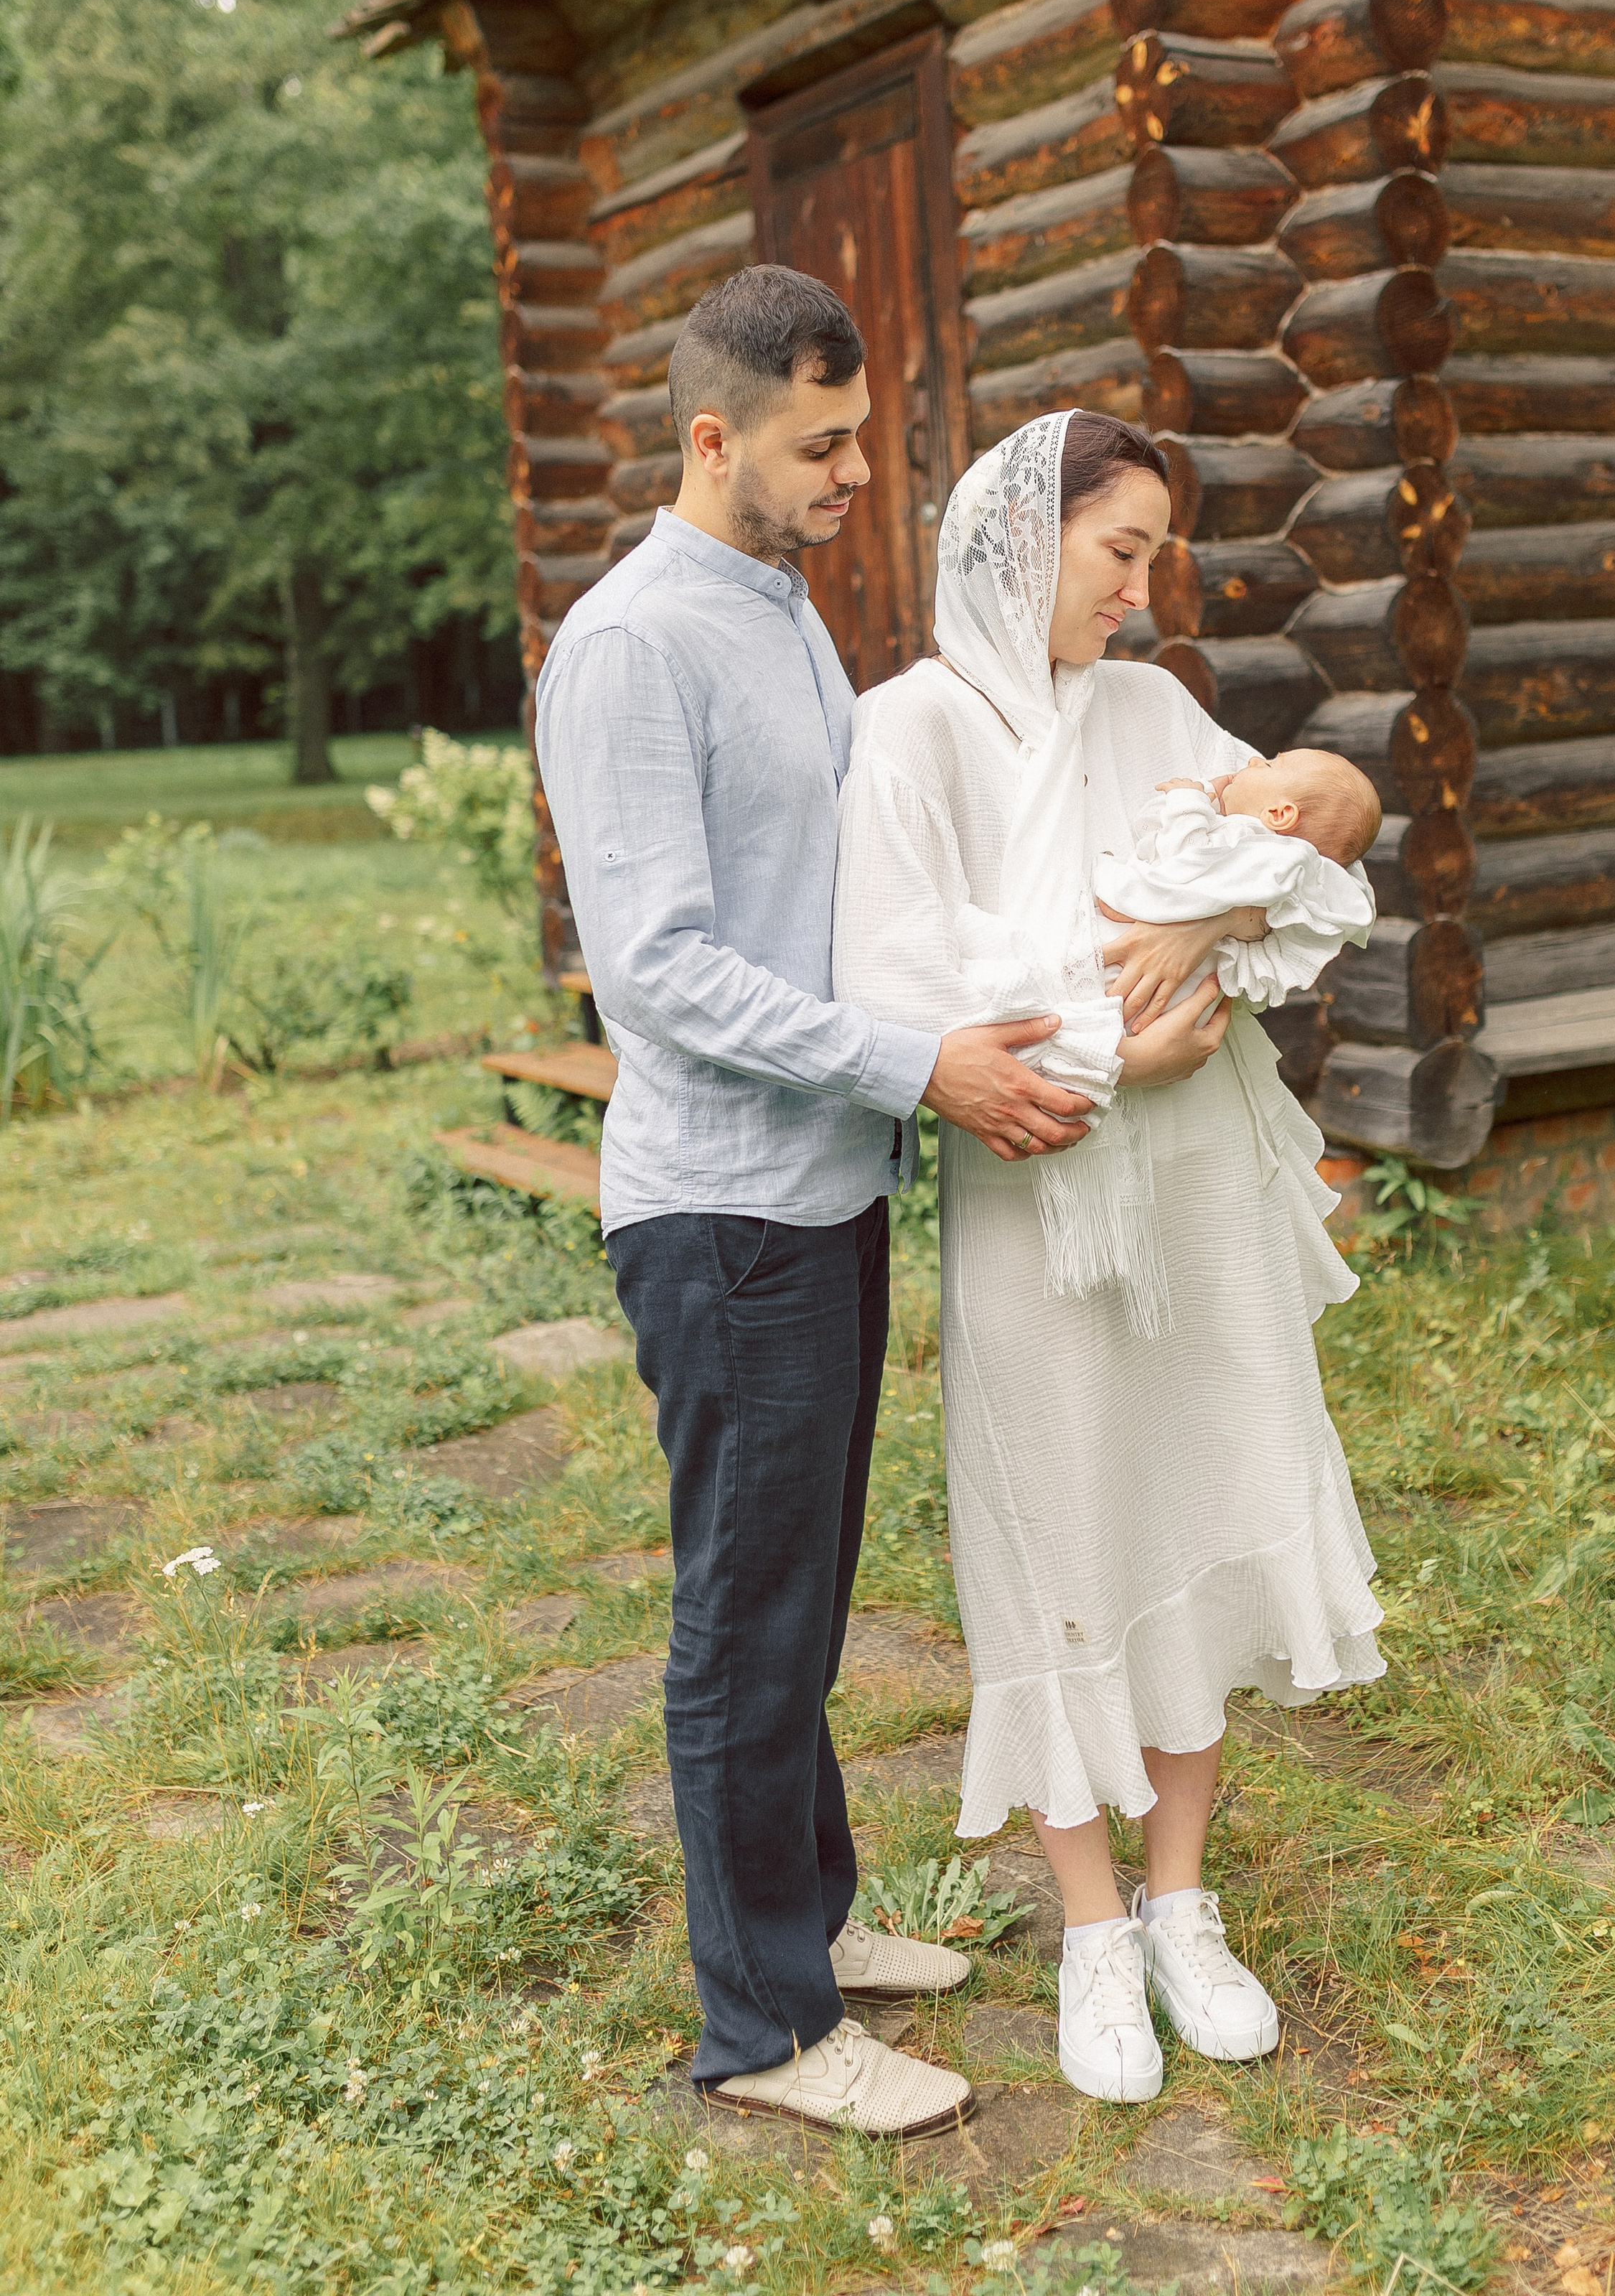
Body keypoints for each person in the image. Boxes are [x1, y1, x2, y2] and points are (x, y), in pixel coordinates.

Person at [535, 266, 1100, 2142]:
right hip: (722, 1216)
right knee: (742, 1623)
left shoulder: (775, 607)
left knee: (804, 1604)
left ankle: (814, 1923)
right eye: (823, 443)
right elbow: (661, 975)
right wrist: (914, 1069)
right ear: (716, 440)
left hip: (820, 1190)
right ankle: (764, 2032)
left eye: (866, 435)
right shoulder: (634, 647)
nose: (865, 471)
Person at [833, 408, 1384, 2107]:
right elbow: (889, 977)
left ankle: (1180, 1900)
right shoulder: (901, 735)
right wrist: (1100, 1034)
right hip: (1041, 1176)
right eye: (1117, 550)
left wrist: (1208, 917)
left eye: (1152, 555)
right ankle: (1087, 1926)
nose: (1141, 594)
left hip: (1201, 1184)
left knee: (1204, 1483)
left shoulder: (1150, 708)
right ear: (1020, 538)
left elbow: (1315, 833)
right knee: (1055, 1509)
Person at [1092, 750, 1382, 1023]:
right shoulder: (1277, 872)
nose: (1254, 759)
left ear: (1279, 814)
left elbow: (1181, 868)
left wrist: (1190, 802)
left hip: (1132, 977)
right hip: (1174, 997)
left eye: (1269, 764)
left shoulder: (1249, 845)